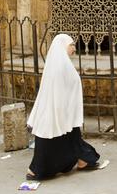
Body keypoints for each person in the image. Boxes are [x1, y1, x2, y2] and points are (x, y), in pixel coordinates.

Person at [26, 33, 100, 180]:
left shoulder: (57, 63)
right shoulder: (62, 65)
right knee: (53, 140)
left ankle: (83, 160)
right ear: (62, 46)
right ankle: (37, 170)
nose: (74, 48)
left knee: (67, 138)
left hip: (60, 111)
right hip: (60, 111)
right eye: (71, 45)